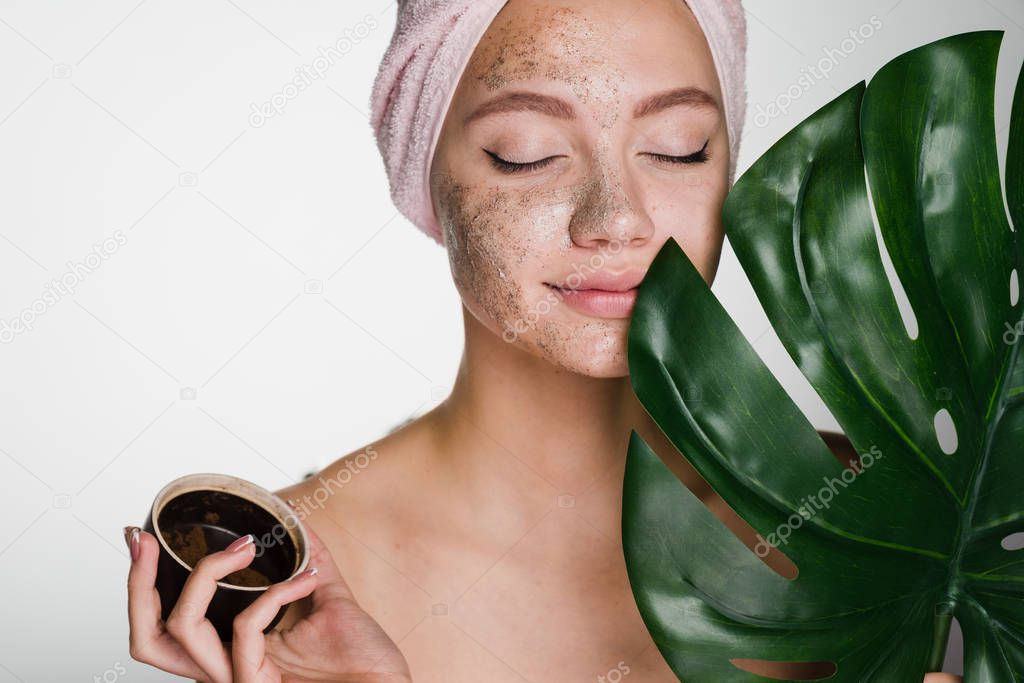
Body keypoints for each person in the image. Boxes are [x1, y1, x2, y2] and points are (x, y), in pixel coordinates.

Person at [124, 0, 964, 680]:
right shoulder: (291, 580)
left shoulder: (904, 521)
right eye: (526, 154)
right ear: (425, 176)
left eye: (679, 149)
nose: (618, 219)